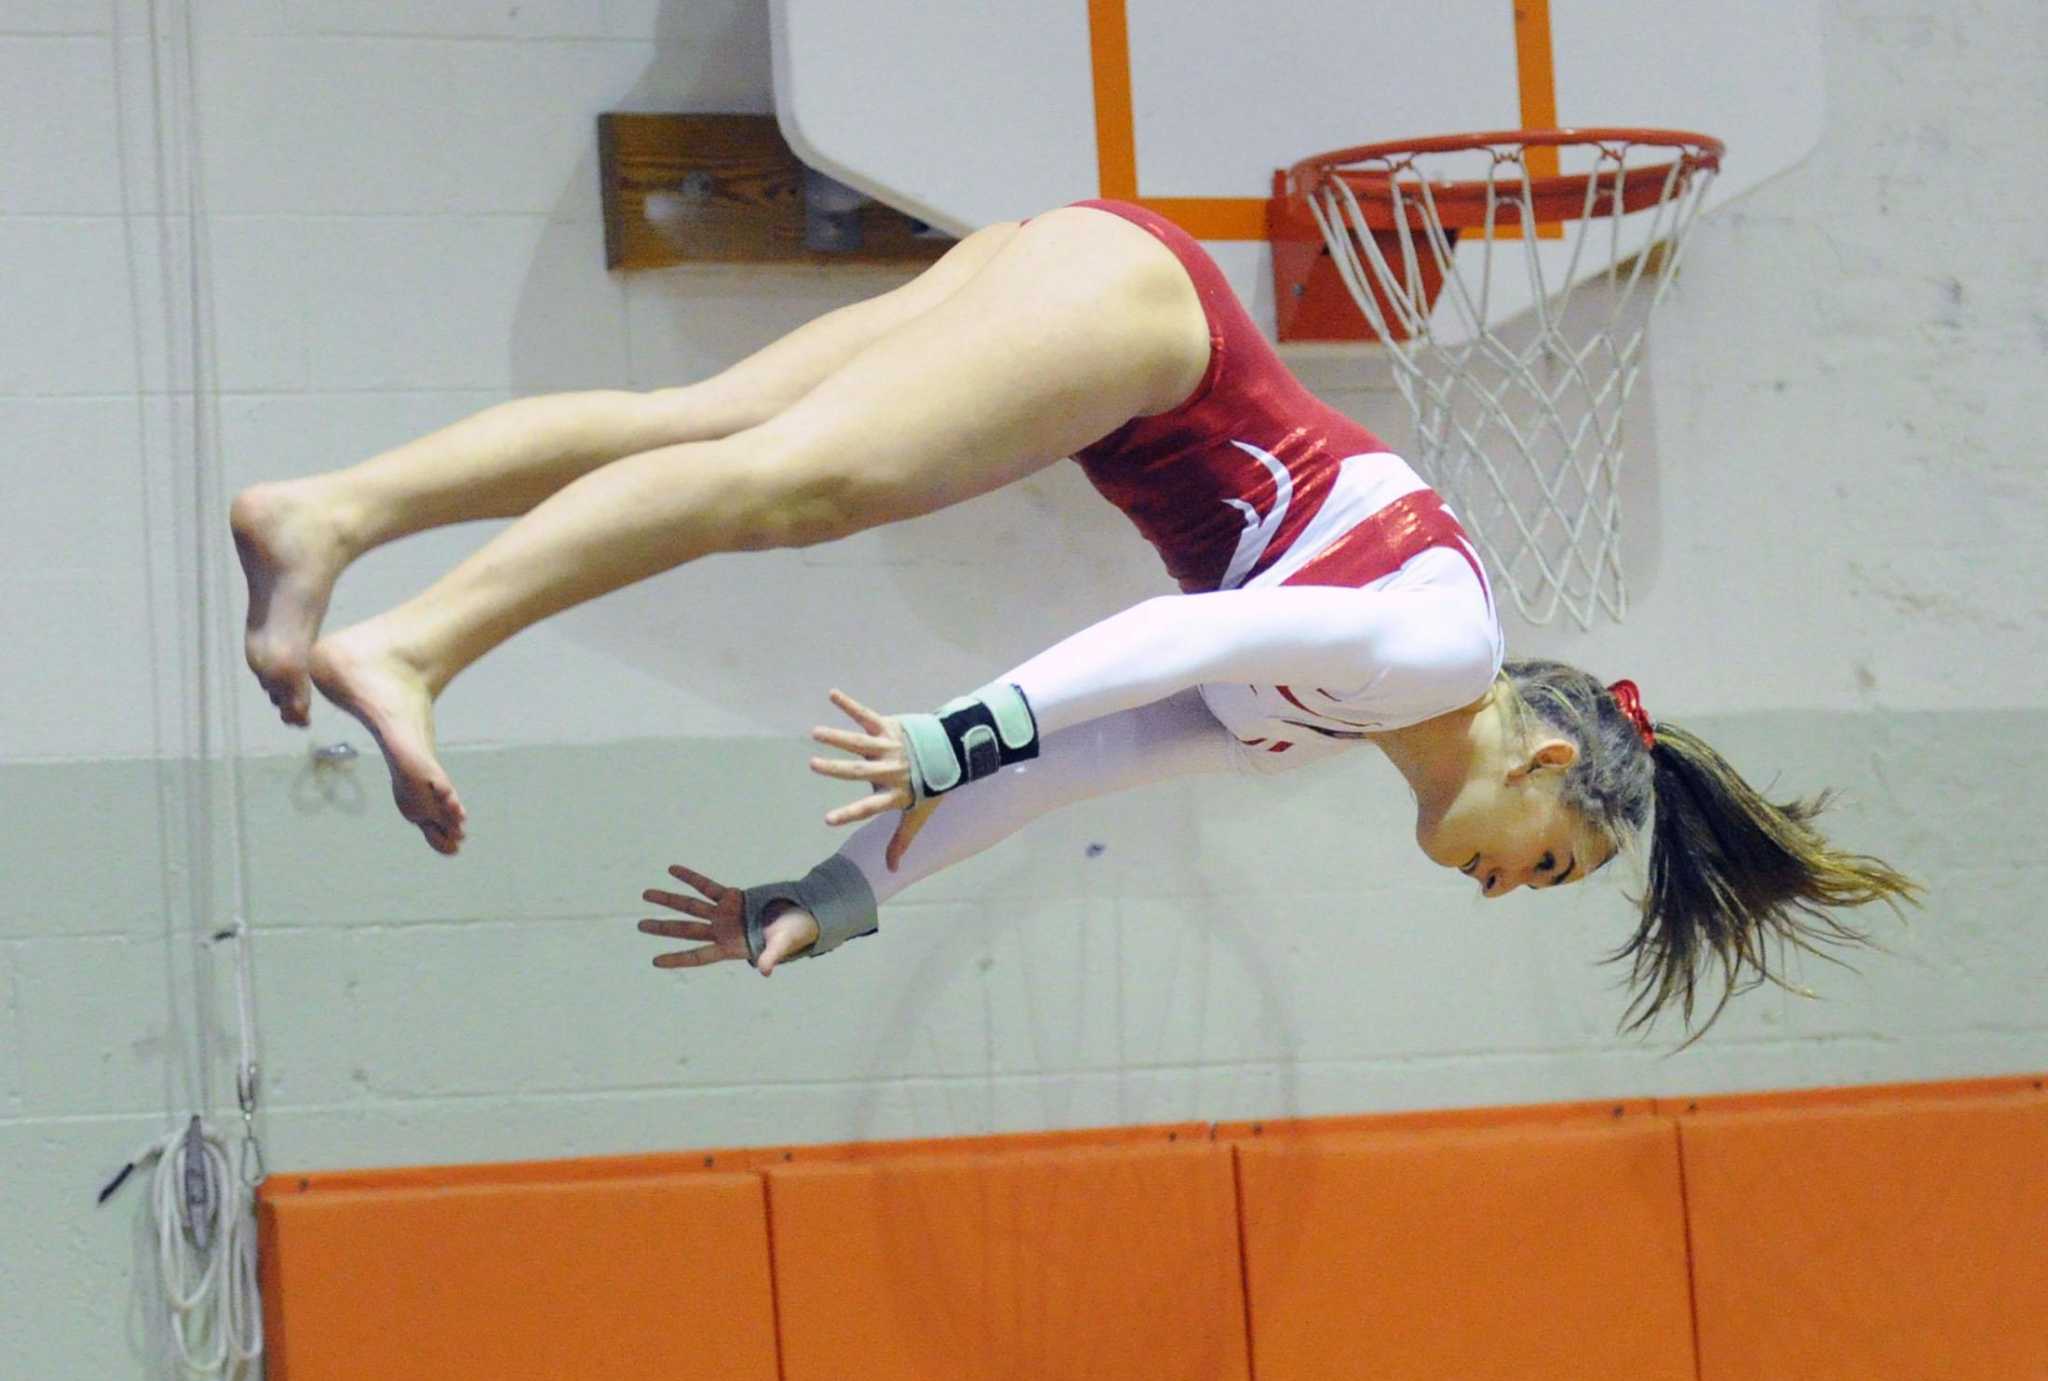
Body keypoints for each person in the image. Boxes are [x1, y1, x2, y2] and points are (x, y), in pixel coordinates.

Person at [233, 200, 1914, 1035]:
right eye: (1548, 858)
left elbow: (1080, 764)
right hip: (1144, 331)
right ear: (1549, 758)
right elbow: (1171, 643)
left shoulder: (1301, 734)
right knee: (794, 485)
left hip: (1113, 321)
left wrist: (838, 888)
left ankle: (330, 518)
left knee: (709, 434)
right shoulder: (1442, 650)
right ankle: (416, 643)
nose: (1507, 887)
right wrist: (956, 726)